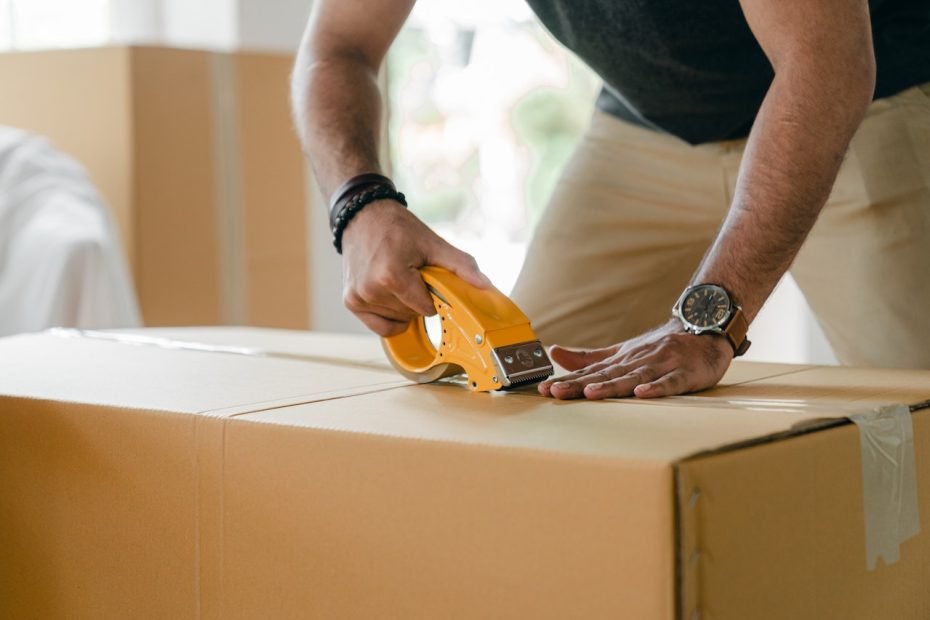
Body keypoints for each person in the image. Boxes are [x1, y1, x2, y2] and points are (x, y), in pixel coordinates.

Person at [291, 0, 930, 400]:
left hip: (861, 110)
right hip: (645, 127)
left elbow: (826, 66)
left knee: (914, 399)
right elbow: (337, 47)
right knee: (525, 384)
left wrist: (709, 324)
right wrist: (360, 204)